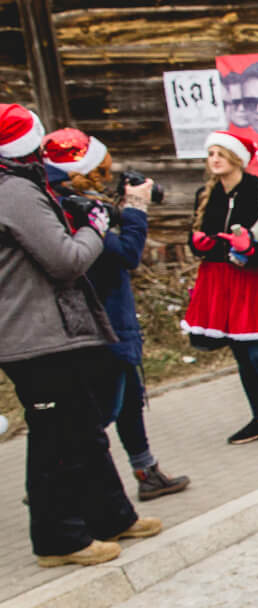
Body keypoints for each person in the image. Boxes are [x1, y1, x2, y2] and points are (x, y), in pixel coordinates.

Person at [0, 104, 157, 567]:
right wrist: (95, 227)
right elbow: (66, 259)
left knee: (85, 430)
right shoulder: (15, 193)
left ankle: (112, 516)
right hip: (30, 333)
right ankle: (59, 539)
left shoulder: (22, 187)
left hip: (53, 328)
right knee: (55, 438)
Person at [41, 127, 189, 500]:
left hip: (109, 318)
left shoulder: (68, 201)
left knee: (130, 401)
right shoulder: (74, 209)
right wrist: (136, 209)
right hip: (100, 324)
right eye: (103, 172)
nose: (108, 180)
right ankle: (55, 480)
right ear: (84, 173)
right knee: (100, 410)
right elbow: (125, 254)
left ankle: (146, 470)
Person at [182, 129, 258, 452]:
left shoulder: (256, 193)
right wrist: (200, 246)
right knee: (241, 357)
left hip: (252, 282)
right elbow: (199, 237)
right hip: (219, 281)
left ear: (237, 160)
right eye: (211, 155)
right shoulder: (205, 195)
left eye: (221, 154)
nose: (214, 159)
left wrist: (252, 248)